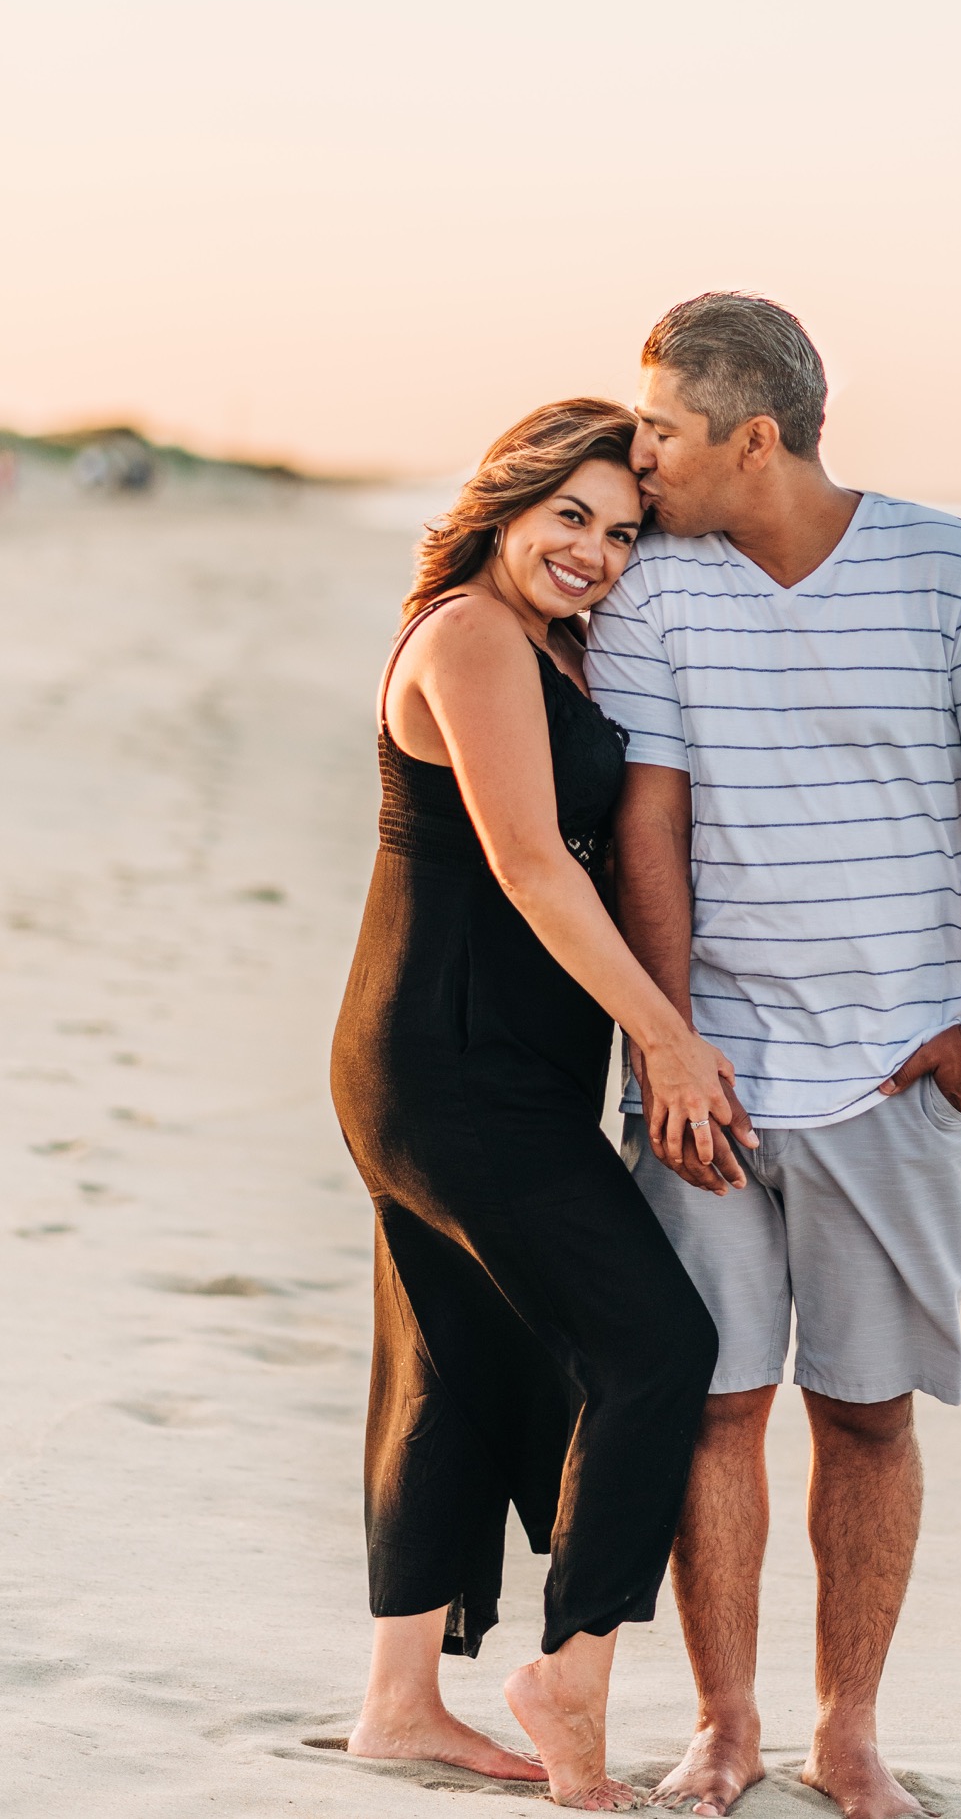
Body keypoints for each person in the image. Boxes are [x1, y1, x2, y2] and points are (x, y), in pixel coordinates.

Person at [585, 298, 961, 1819]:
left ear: (752, 435)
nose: (636, 447)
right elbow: (648, 824)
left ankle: (848, 1728)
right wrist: (672, 1049)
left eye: (661, 424)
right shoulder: (655, 588)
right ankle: (725, 1726)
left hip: (895, 1076)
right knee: (716, 1401)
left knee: (867, 1411)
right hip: (711, 1078)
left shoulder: (949, 569)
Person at [329, 398, 735, 1810]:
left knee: (451, 1353)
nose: (596, 552)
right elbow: (532, 866)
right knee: (657, 1348)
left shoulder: (543, 638)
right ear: (506, 499)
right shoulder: (470, 638)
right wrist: (667, 1041)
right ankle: (569, 1666)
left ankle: (398, 1703)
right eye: (570, 516)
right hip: (454, 1065)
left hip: (466, 1053)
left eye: (623, 532)